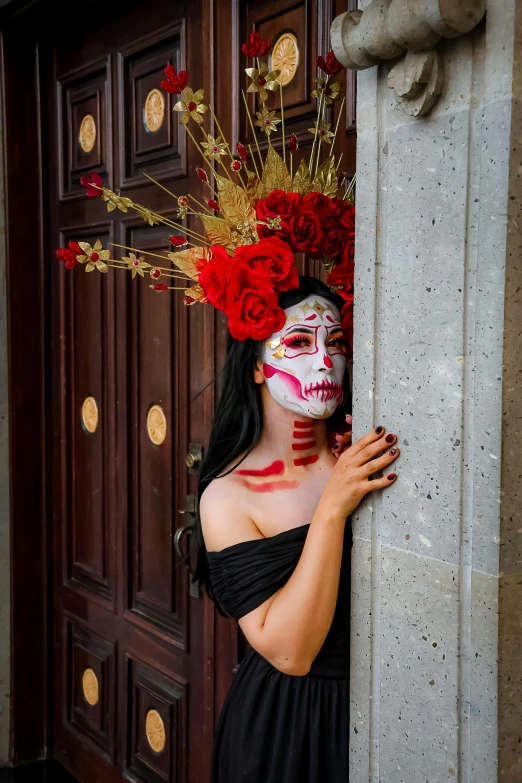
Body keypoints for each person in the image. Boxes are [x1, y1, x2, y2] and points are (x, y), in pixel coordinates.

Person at [193, 275, 400, 782]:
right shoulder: (229, 496)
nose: (324, 361)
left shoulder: (361, 446)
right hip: (292, 732)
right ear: (259, 365)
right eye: (300, 342)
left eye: (336, 342)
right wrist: (332, 509)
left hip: (395, 712)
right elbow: (291, 652)